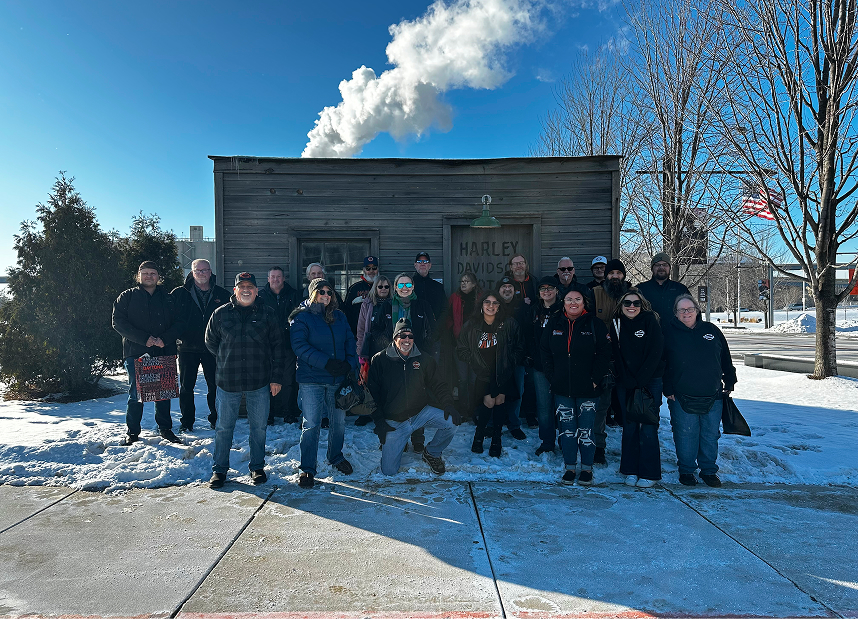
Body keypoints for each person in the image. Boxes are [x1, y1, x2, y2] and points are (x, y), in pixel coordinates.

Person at [205, 272, 285, 488]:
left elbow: (278, 347)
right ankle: (219, 470)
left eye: (250, 286)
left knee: (258, 427)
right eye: (242, 286)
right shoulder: (220, 314)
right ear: (235, 290)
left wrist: (276, 378)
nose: (246, 289)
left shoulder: (268, 314)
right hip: (227, 381)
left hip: (258, 381)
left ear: (257, 290)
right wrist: (226, 358)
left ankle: (257, 467)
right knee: (223, 427)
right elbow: (211, 342)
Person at [368, 318, 459, 475]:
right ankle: (396, 442)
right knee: (389, 471)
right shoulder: (380, 360)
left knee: (451, 422)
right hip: (394, 420)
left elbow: (439, 384)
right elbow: (371, 395)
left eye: (410, 336)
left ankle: (432, 453)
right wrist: (379, 421)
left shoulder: (424, 359)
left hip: (420, 414)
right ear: (395, 338)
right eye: (402, 336)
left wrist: (448, 404)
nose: (407, 339)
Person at [663, 294, 737, 488]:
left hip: (712, 393)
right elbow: (663, 363)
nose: (686, 313)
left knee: (710, 435)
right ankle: (686, 471)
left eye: (690, 309)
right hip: (681, 394)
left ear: (697, 310)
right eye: (682, 310)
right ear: (676, 313)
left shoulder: (711, 331)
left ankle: (709, 471)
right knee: (686, 434)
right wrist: (667, 387)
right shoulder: (668, 332)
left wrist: (730, 380)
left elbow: (725, 358)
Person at [289, 278, 357, 489]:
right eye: (321, 292)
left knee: (338, 423)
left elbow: (350, 342)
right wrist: (326, 363)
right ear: (312, 293)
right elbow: (299, 346)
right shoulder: (301, 317)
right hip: (312, 380)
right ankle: (307, 468)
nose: (326, 296)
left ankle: (335, 456)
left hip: (337, 380)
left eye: (329, 292)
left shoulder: (339, 316)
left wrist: (349, 365)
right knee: (311, 424)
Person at [540, 289, 611, 486]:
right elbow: (544, 350)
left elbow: (605, 353)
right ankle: (570, 466)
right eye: (569, 299)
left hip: (588, 388)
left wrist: (596, 378)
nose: (573, 303)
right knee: (567, 429)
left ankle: (587, 468)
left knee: (587, 429)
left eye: (577, 299)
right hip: (562, 388)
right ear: (563, 303)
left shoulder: (594, 323)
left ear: (584, 303)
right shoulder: (555, 323)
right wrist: (552, 376)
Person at [112, 261, 185, 445]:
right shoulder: (127, 297)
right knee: (136, 394)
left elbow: (180, 323)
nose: (149, 276)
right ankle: (133, 432)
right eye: (145, 273)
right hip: (137, 352)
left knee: (163, 393)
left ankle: (165, 429)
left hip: (163, 350)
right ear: (139, 275)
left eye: (153, 273)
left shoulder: (168, 298)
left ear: (158, 276)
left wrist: (164, 339)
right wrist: (144, 339)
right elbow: (118, 322)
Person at [363, 272, 436, 451]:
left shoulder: (422, 305)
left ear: (413, 287)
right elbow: (376, 330)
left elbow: (432, 330)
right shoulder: (386, 306)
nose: (405, 288)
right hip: (391, 358)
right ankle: (396, 436)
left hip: (416, 357)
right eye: (401, 285)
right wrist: (390, 345)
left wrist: (423, 349)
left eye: (408, 285)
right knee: (392, 398)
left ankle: (418, 438)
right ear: (395, 288)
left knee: (418, 396)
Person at [457, 291, 523, 458]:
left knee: (499, 401)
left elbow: (519, 346)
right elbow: (461, 348)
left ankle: (496, 439)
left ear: (499, 306)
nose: (491, 306)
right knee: (488, 402)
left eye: (495, 303)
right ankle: (478, 437)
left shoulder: (509, 323)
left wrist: (510, 361)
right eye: (487, 302)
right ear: (481, 305)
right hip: (483, 372)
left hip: (502, 371)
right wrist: (473, 360)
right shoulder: (472, 325)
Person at [610, 288, 664, 487]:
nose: (631, 306)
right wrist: (626, 378)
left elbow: (656, 351)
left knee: (648, 426)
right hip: (626, 382)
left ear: (643, 305)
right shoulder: (616, 324)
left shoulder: (650, 321)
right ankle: (630, 470)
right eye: (627, 303)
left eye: (636, 303)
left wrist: (642, 378)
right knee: (630, 425)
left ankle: (649, 473)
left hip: (650, 380)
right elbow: (616, 354)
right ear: (621, 306)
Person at [170, 259, 229, 432]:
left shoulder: (222, 294)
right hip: (187, 347)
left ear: (211, 272)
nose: (202, 273)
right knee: (187, 386)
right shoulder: (179, 293)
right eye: (198, 270)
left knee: (215, 385)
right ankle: (187, 422)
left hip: (213, 347)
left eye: (205, 270)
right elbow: (170, 318)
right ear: (192, 272)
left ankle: (215, 419)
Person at [592, 257, 632, 449]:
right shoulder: (594, 294)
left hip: (627, 358)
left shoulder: (633, 295)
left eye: (618, 273)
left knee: (628, 405)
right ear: (606, 276)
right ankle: (598, 445)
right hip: (604, 357)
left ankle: (631, 448)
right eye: (611, 273)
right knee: (601, 406)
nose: (615, 276)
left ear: (623, 275)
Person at [523, 276, 563, 455]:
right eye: (542, 288)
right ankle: (547, 442)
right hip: (540, 366)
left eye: (550, 288)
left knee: (562, 404)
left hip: (562, 365)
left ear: (556, 291)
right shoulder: (534, 311)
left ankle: (565, 440)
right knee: (544, 406)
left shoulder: (563, 310)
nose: (546, 291)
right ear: (539, 293)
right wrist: (532, 356)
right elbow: (529, 336)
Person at [257, 266, 300, 424]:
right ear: (268, 279)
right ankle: (268, 412)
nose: (275, 280)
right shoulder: (260, 296)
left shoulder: (293, 295)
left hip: (288, 344)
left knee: (288, 379)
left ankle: (289, 411)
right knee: (266, 379)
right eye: (272, 277)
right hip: (266, 345)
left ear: (283, 279)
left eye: (278, 277)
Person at [443, 273, 482, 418]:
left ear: (474, 284)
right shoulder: (455, 297)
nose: (463, 284)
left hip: (477, 346)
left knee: (474, 379)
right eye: (462, 281)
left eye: (467, 281)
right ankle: (464, 409)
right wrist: (452, 330)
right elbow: (448, 316)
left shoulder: (481, 298)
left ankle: (474, 409)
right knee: (462, 378)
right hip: (459, 344)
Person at [494, 276, 527, 439]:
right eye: (503, 287)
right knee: (494, 391)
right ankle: (493, 424)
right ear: (498, 290)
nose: (507, 289)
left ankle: (514, 424)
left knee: (517, 392)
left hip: (517, 357)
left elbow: (527, 331)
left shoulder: (523, 306)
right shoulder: (493, 306)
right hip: (495, 358)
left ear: (515, 291)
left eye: (510, 287)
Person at [636, 253, 690, 327]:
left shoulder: (681, 289)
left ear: (669, 268)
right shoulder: (640, 289)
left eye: (665, 265)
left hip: (676, 336)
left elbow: (692, 312)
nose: (661, 267)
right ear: (652, 268)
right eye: (657, 265)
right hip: (648, 335)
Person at [344, 255, 379, 335]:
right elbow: (347, 311)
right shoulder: (354, 289)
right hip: (357, 333)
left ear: (378, 269)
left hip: (378, 333)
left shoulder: (384, 287)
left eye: (374, 268)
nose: (371, 271)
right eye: (368, 268)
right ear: (363, 270)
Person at [412, 251, 447, 322]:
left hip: (434, 329)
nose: (422, 264)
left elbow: (445, 309)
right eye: (419, 261)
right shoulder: (408, 286)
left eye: (425, 261)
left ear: (430, 265)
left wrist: (437, 327)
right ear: (415, 265)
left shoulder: (438, 287)